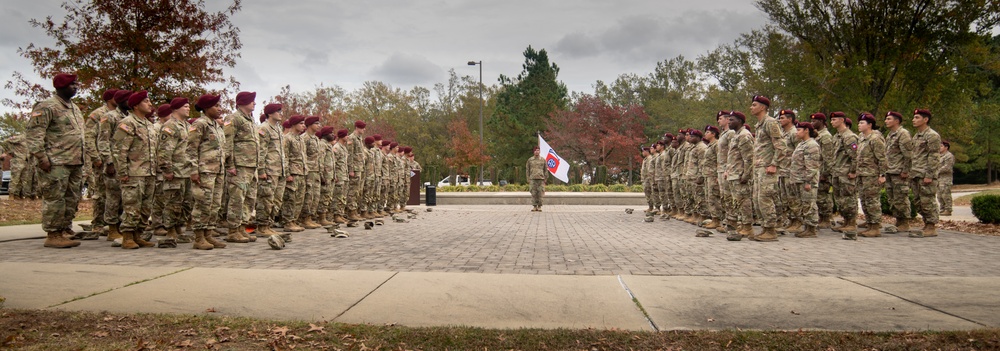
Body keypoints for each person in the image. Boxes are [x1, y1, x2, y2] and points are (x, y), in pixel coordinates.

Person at [25, 73, 86, 248]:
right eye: (72, 84)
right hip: (55, 162)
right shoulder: (46, 106)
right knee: (55, 199)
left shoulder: (74, 107)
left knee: (72, 198)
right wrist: (42, 157)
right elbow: (34, 133)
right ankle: (53, 234)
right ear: (60, 86)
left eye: (76, 84)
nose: (76, 87)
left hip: (75, 161)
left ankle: (64, 230)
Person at [112, 90, 159, 249]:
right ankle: (127, 237)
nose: (150, 104)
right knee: (132, 206)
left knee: (145, 207)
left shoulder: (149, 124)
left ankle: (138, 235)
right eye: (146, 101)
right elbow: (119, 149)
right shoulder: (128, 123)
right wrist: (122, 172)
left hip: (149, 172)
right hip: (134, 172)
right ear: (136, 105)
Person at [187, 94, 228, 250]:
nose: (219, 108)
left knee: (215, 204)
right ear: (206, 108)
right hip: (204, 171)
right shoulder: (200, 124)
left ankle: (209, 234)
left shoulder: (216, 126)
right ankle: (199, 237)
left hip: (217, 170)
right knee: (203, 203)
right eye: (216, 106)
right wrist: (193, 170)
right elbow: (191, 149)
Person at [222, 91, 259, 243]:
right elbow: (228, 141)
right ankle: (233, 230)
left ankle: (242, 228)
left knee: (249, 199)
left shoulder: (250, 120)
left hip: (251, 165)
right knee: (237, 198)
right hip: (239, 165)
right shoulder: (233, 118)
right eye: (252, 101)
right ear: (242, 102)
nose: (254, 103)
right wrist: (230, 164)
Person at [157, 98, 196, 243]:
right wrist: (167, 169)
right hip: (175, 171)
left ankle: (179, 228)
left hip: (186, 171)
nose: (188, 108)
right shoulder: (170, 126)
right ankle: (171, 230)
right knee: (172, 202)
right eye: (185, 106)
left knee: (186, 203)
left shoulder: (186, 125)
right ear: (176, 109)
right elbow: (164, 150)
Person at [749, 95, 785, 242]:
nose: (751, 107)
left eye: (754, 105)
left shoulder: (770, 123)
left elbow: (781, 146)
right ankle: (765, 228)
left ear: (763, 107)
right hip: (759, 167)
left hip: (768, 168)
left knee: (765, 198)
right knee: (757, 199)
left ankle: (771, 230)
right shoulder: (759, 124)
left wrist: (774, 164)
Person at [84, 89, 117, 233]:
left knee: (113, 193)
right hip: (101, 159)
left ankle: (111, 223)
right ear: (110, 99)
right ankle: (97, 223)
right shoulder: (98, 114)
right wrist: (95, 156)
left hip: (115, 158)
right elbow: (88, 136)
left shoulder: (122, 114)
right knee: (100, 192)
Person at [909, 109, 943, 238]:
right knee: (918, 201)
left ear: (925, 119)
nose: (914, 120)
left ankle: (931, 226)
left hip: (925, 174)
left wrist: (929, 174)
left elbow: (934, 156)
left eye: (917, 117)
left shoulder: (932, 135)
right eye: (914, 117)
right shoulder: (917, 135)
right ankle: (926, 223)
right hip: (916, 173)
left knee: (927, 200)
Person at [255, 103, 287, 235]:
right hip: (269, 170)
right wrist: (261, 170)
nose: (281, 113)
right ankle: (262, 227)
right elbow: (261, 151)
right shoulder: (264, 128)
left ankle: (268, 224)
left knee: (276, 200)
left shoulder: (278, 129)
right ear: (270, 113)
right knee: (266, 199)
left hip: (279, 170)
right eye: (278, 111)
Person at [855, 113, 887, 237]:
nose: (859, 125)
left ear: (870, 125)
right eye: (859, 123)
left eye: (862, 123)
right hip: (862, 174)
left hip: (872, 174)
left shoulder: (875, 138)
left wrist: (882, 174)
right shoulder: (861, 137)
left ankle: (875, 226)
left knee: (872, 200)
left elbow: (882, 158)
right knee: (864, 199)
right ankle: (870, 222)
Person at [725, 111, 755, 240]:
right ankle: (742, 224)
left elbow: (749, 158)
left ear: (740, 121)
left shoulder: (744, 135)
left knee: (744, 201)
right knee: (737, 201)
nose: (729, 122)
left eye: (732, 120)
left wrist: (746, 175)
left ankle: (747, 226)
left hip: (740, 175)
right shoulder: (736, 135)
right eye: (729, 120)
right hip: (734, 173)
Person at [829, 112, 860, 236]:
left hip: (846, 173)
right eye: (831, 120)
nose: (832, 122)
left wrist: (853, 171)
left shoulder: (849, 137)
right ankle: (846, 221)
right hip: (837, 172)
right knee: (840, 199)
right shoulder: (837, 136)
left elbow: (855, 156)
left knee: (849, 198)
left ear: (842, 120)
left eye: (834, 119)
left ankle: (851, 222)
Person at [788, 122, 821, 238]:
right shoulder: (802, 144)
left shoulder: (811, 145)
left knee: (809, 204)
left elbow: (812, 166)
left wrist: (808, 181)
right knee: (804, 204)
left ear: (806, 130)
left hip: (806, 180)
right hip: (798, 179)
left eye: (799, 130)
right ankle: (807, 227)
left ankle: (811, 229)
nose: (797, 132)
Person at [883, 111, 914, 231]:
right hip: (890, 170)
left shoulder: (903, 134)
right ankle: (899, 221)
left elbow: (908, 155)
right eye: (886, 119)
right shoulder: (891, 134)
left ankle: (905, 222)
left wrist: (905, 170)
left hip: (899, 171)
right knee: (892, 198)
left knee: (901, 197)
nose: (886, 121)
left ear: (897, 121)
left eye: (889, 119)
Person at [280, 115, 308, 233]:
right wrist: (287, 174)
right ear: (294, 124)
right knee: (290, 198)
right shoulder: (287, 138)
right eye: (301, 123)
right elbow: (284, 157)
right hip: (292, 172)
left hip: (301, 172)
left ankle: (294, 220)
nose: (303, 126)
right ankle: (288, 221)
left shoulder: (301, 139)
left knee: (299, 198)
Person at [811, 112, 836, 228]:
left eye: (814, 121)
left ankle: (826, 218)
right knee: (818, 196)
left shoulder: (825, 136)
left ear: (821, 122)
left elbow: (828, 156)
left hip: (823, 171)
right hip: (817, 169)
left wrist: (826, 173)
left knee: (823, 197)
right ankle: (822, 218)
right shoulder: (817, 135)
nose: (812, 123)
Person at [776, 109, 800, 232]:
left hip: (791, 170)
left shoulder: (794, 133)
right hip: (783, 170)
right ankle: (790, 220)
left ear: (790, 119)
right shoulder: (783, 133)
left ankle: (797, 221)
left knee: (793, 198)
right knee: (784, 198)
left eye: (783, 118)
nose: (780, 120)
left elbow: (799, 150)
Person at [300, 116, 324, 228]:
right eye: (316, 123)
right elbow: (303, 155)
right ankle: (304, 218)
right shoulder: (304, 138)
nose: (319, 125)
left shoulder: (316, 139)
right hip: (308, 170)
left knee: (315, 196)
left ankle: (310, 217)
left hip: (316, 170)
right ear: (309, 125)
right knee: (308, 195)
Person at [715, 111, 733, 233]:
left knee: (729, 196)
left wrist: (728, 169)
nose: (718, 121)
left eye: (721, 118)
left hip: (728, 169)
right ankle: (727, 221)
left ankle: (732, 222)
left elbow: (733, 152)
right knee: (724, 197)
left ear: (727, 120)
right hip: (721, 169)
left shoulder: (730, 133)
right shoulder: (723, 134)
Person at [684, 129, 707, 225]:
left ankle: (702, 217)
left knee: (700, 198)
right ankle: (695, 215)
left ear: (698, 138)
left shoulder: (701, 148)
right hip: (691, 176)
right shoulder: (694, 147)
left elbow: (702, 163)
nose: (690, 138)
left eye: (692, 136)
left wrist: (701, 176)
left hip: (697, 177)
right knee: (693, 197)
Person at [346, 120, 367, 220]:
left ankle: (355, 211)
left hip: (360, 168)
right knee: (353, 191)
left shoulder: (359, 138)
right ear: (357, 128)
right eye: (362, 128)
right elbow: (349, 155)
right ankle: (351, 212)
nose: (364, 130)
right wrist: (351, 169)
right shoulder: (352, 138)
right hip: (355, 168)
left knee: (358, 191)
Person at [701, 125, 722, 229]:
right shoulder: (710, 145)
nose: (705, 134)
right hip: (708, 174)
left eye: (707, 132)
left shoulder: (716, 145)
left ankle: (718, 220)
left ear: (713, 134)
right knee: (710, 198)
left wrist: (718, 174)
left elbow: (720, 160)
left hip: (714, 175)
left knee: (715, 197)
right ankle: (714, 219)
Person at [526, 146, 546, 212]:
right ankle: (534, 206)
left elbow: (545, 169)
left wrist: (545, 178)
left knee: (540, 193)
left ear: (539, 151)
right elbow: (527, 169)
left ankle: (539, 206)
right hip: (532, 178)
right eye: (535, 150)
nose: (536, 151)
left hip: (541, 178)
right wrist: (528, 178)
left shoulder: (543, 160)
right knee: (533, 193)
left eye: (538, 150)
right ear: (533, 152)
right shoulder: (530, 160)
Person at [938, 140, 955, 216]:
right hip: (938, 178)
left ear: (946, 147)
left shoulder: (949, 156)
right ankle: (942, 209)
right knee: (939, 195)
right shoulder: (938, 156)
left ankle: (948, 209)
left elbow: (947, 167)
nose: (939, 147)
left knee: (946, 194)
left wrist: (936, 171)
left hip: (945, 179)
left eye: (941, 146)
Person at [641, 146, 654, 213]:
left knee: (649, 193)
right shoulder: (645, 159)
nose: (642, 152)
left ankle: (651, 207)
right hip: (645, 179)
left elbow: (649, 170)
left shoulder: (649, 159)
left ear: (647, 151)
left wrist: (648, 178)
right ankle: (650, 207)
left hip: (648, 179)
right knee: (647, 193)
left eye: (643, 151)